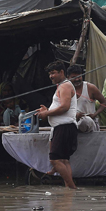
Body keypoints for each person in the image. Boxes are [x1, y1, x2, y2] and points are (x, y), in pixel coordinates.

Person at [36, 61, 78, 189]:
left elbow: (65, 107)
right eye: (50, 74)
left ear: (61, 72)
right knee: (64, 160)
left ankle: (72, 188)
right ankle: (69, 190)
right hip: (64, 127)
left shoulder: (65, 86)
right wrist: (46, 111)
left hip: (64, 127)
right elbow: (61, 106)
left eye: (53, 73)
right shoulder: (62, 86)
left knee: (55, 160)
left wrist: (46, 113)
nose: (51, 76)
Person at [66, 65, 106, 133]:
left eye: (79, 76)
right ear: (68, 78)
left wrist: (95, 114)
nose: (77, 79)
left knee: (85, 121)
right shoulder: (65, 90)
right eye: (74, 77)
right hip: (72, 123)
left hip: (89, 124)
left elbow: (104, 103)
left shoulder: (90, 88)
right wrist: (75, 115)